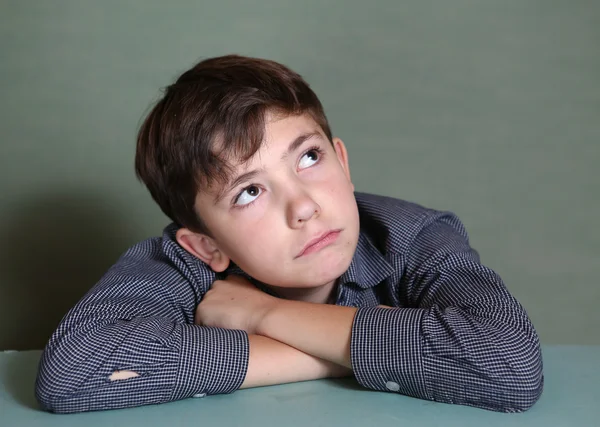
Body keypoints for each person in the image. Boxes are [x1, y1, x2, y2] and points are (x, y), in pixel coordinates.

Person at [35, 55, 543, 414]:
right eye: (249, 192)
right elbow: (74, 369)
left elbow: (511, 362)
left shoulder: (415, 236)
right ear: (205, 244)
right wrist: (358, 348)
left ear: (342, 162)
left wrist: (265, 314)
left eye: (308, 158)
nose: (303, 206)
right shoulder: (177, 264)